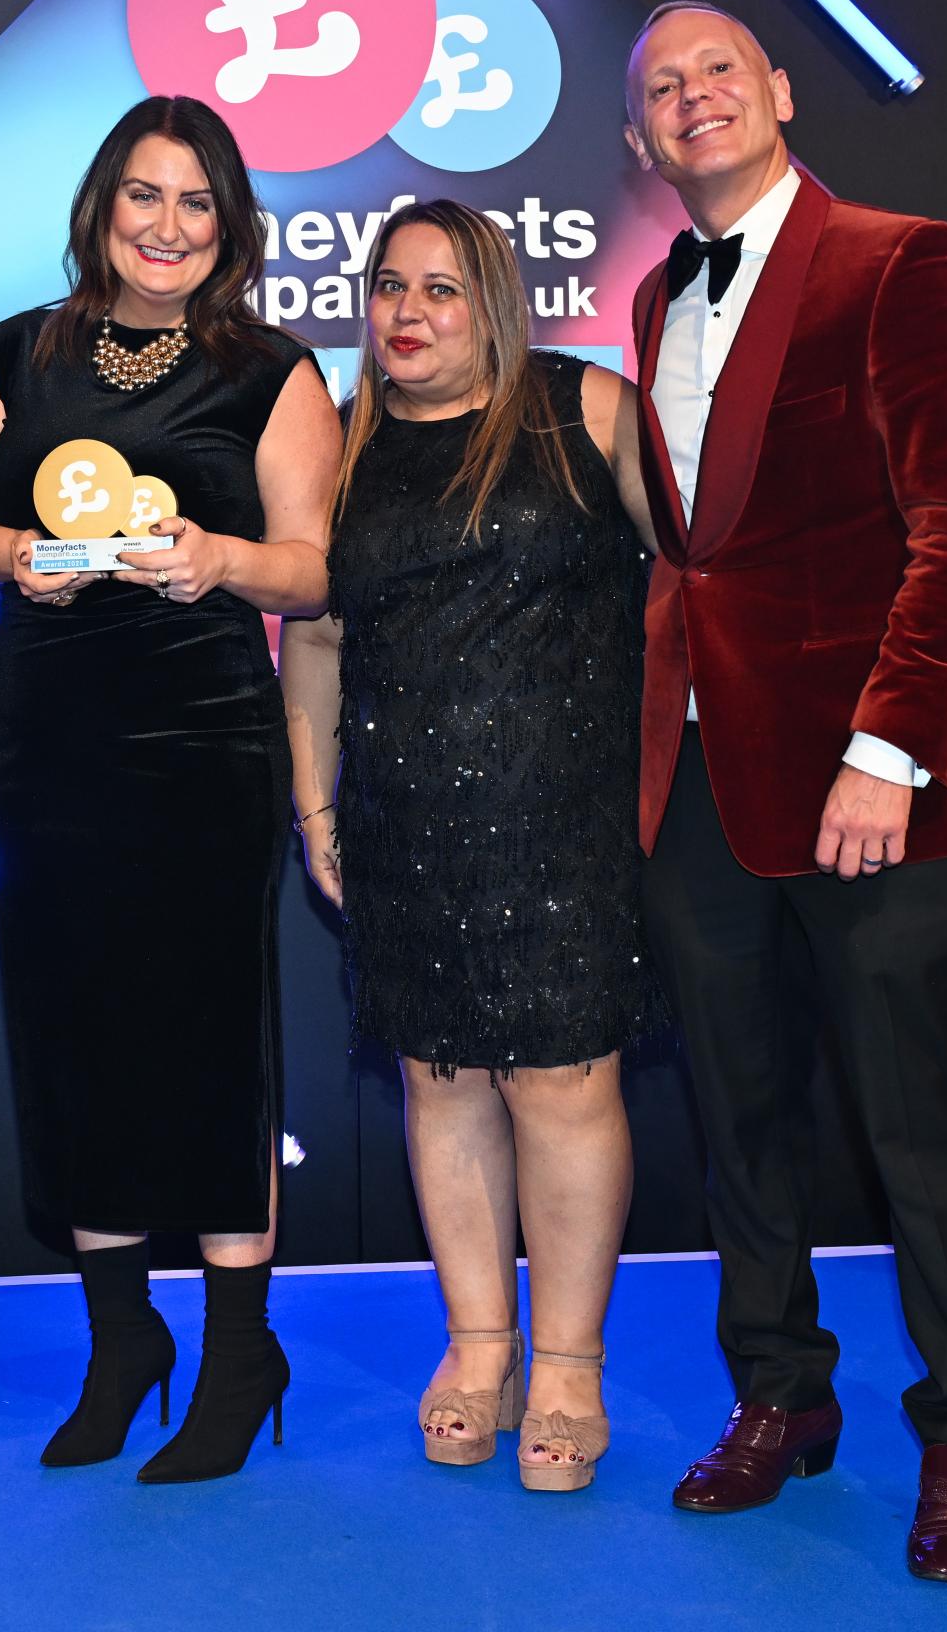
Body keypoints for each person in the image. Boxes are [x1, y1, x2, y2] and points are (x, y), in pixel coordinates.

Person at [620, 0, 947, 1582]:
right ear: (640, 141)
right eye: (664, 87)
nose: (694, 96)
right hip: (704, 789)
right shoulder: (657, 298)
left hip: (877, 789)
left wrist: (889, 748)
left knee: (923, 1134)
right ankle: (781, 1397)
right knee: (741, 1124)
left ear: (781, 91)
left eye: (719, 68)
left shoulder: (902, 260)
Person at [0, 95, 340, 1483]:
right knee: (70, 1033)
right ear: (103, 206)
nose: (167, 226)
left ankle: (238, 1352)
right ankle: (123, 1343)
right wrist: (10, 558)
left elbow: (318, 569)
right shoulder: (19, 352)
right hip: (46, 739)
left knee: (212, 1041)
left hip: (201, 743)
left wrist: (218, 561)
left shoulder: (271, 373)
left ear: (230, 226)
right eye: (145, 196)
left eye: (196, 203)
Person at [278, 201, 656, 1493]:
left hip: (570, 822)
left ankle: (569, 1370)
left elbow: (701, 578)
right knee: (440, 1084)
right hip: (406, 823)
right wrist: (316, 806)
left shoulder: (587, 411)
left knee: (561, 1088)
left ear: (493, 297)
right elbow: (315, 640)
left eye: (441, 287)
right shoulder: (344, 445)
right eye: (390, 286)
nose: (409, 312)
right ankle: (479, 1346)